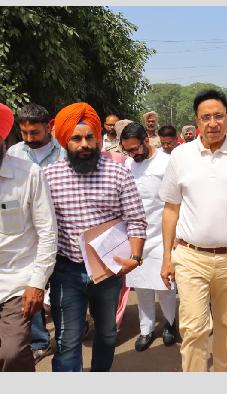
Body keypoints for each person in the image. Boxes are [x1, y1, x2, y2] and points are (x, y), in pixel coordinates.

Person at [158, 89, 227, 372]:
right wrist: (166, 256)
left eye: (218, 116)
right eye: (206, 117)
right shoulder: (181, 156)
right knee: (194, 328)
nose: (213, 123)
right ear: (197, 121)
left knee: (226, 324)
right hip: (190, 256)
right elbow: (171, 209)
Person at [44, 102, 147, 372]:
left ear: (98, 137)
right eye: (76, 139)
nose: (84, 144)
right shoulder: (49, 176)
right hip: (66, 270)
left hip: (107, 271)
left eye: (90, 137)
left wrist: (135, 257)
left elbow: (136, 219)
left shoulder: (118, 173)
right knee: (67, 340)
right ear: (64, 140)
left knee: (107, 333)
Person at [0, 104, 57, 371]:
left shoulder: (28, 174)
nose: (30, 138)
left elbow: (47, 231)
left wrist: (37, 282)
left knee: (11, 352)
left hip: (16, 281)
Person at [120, 123, 178, 352]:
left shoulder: (166, 162)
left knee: (165, 285)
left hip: (162, 234)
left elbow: (176, 201)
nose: (132, 154)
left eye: (135, 149)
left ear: (146, 140)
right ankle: (146, 329)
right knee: (141, 285)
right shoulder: (127, 164)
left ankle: (170, 324)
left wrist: (176, 236)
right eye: (127, 151)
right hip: (135, 236)